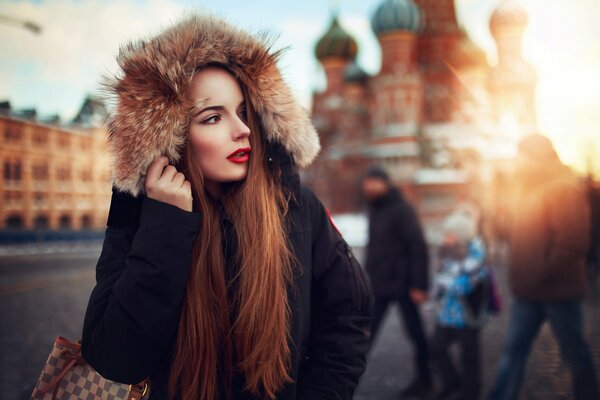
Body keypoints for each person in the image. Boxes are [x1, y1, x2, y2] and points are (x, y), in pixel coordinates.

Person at [81, 13, 373, 400]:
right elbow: (115, 358)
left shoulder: (296, 208)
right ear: (172, 137)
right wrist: (166, 225)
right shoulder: (142, 217)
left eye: (243, 111)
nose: (243, 129)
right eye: (213, 117)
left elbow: (348, 313)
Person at [488, 134, 599, 400]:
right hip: (527, 292)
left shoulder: (563, 188)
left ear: (536, 157)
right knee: (513, 353)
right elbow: (517, 237)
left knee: (576, 354)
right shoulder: (526, 190)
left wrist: (542, 272)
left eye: (522, 155)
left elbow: (572, 242)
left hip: (559, 292)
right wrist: (500, 217)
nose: (517, 161)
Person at [361, 166, 432, 398]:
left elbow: (418, 246)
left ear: (385, 184)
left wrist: (419, 285)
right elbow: (375, 247)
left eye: (373, 182)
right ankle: (347, 380)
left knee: (416, 335)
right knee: (364, 335)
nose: (368, 186)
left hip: (403, 285)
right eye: (367, 182)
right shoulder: (374, 209)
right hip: (379, 285)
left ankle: (425, 380)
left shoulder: (402, 209)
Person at [430, 205, 489, 400]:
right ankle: (451, 382)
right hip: (446, 314)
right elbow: (439, 280)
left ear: (462, 237)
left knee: (469, 358)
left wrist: (446, 281)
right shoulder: (448, 252)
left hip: (466, 316)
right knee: (436, 348)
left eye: (450, 236)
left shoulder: (476, 257)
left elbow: (463, 287)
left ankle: (470, 393)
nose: (445, 239)